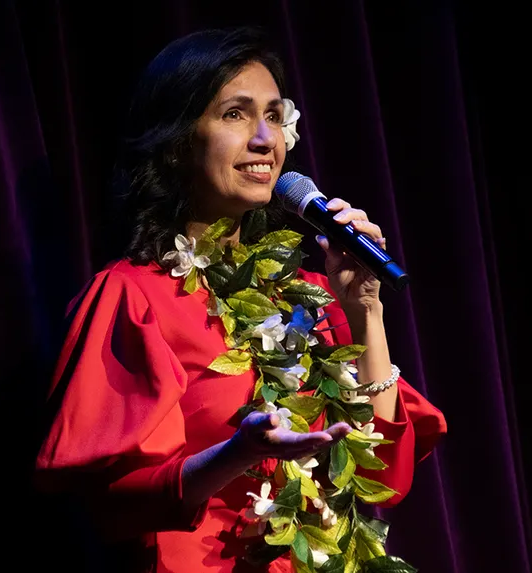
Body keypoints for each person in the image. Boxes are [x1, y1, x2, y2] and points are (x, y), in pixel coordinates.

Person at [33, 27, 446, 573]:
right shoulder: (133, 295)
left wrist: (365, 308)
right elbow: (110, 504)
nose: (265, 139)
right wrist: (240, 452)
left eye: (275, 116)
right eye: (235, 114)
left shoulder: (312, 296)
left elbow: (383, 478)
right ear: (178, 142)